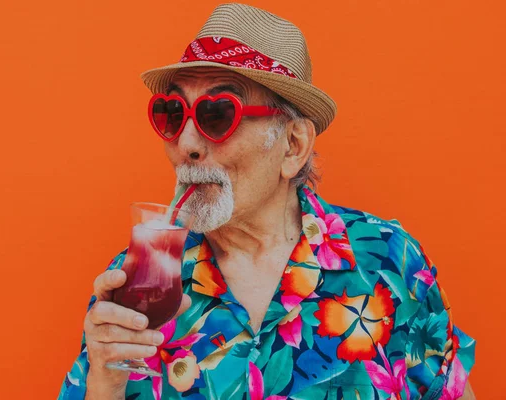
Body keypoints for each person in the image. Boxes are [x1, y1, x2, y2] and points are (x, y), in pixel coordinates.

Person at [58, 3, 476, 399]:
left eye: (217, 114)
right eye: (172, 114)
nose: (184, 145)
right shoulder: (135, 285)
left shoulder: (390, 261)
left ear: (293, 146)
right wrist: (105, 381)